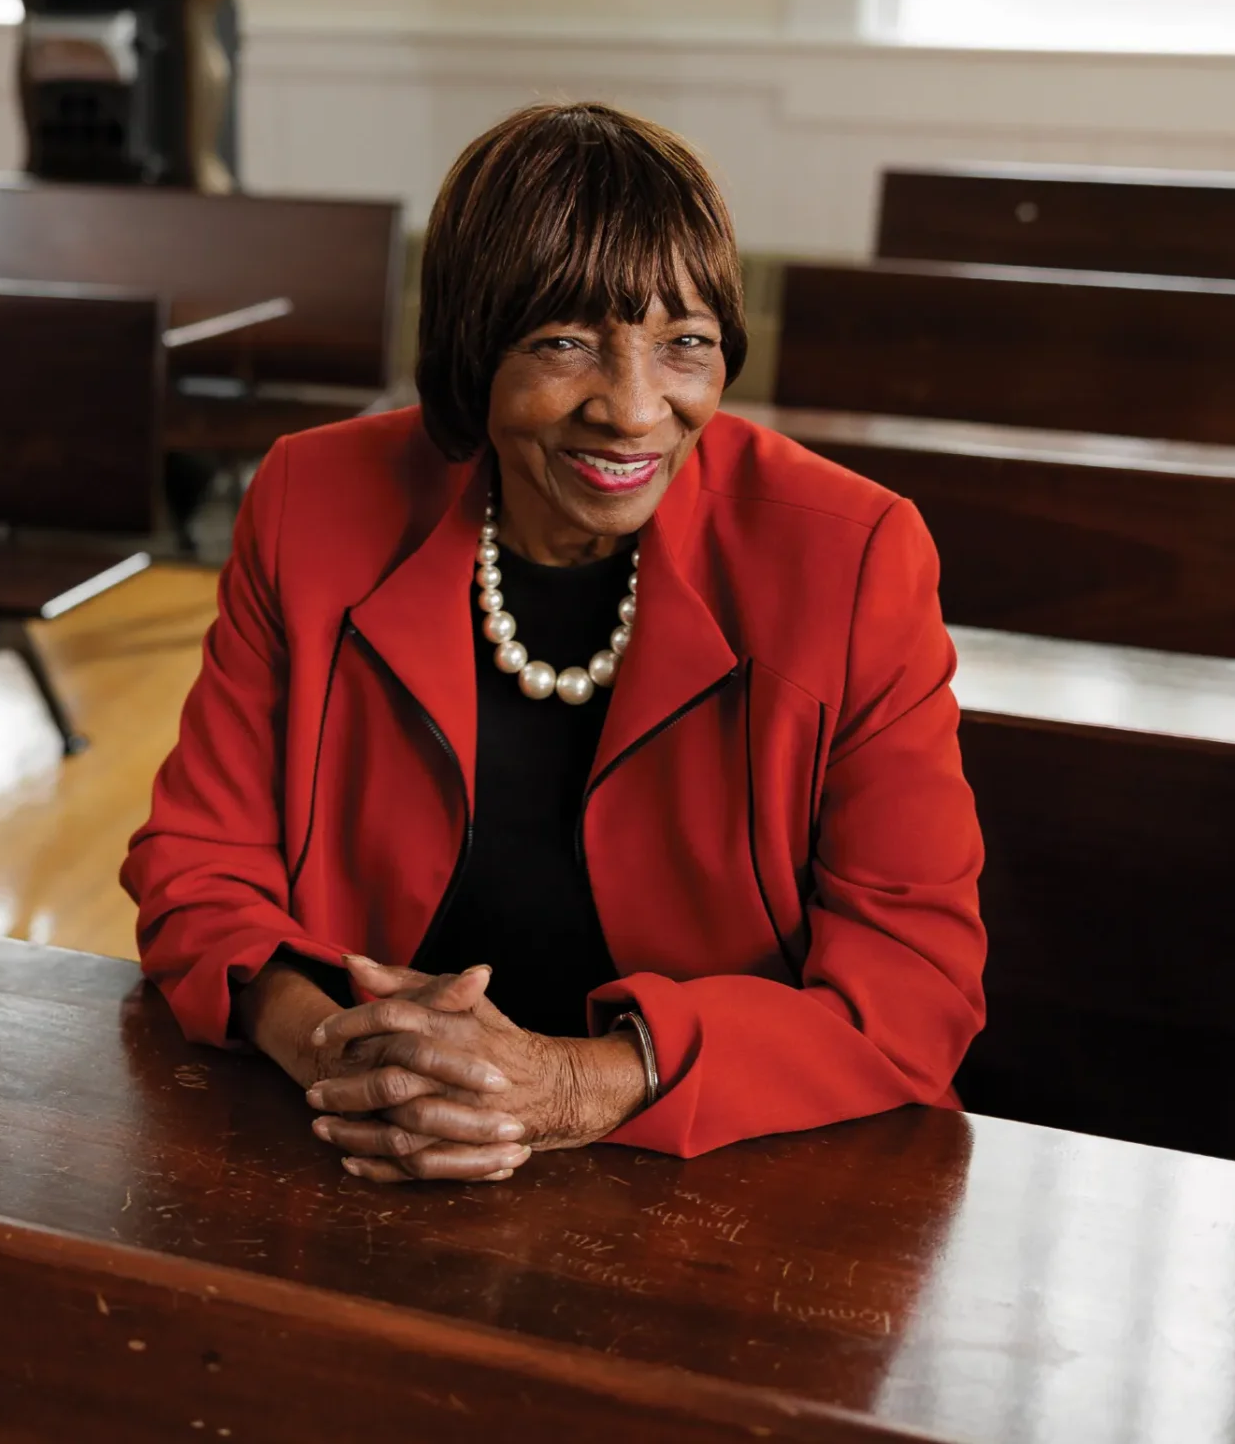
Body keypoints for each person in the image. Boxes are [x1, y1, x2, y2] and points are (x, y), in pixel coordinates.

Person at [123, 102, 986, 1182]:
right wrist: (334, 1049)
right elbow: (196, 864)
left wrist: (572, 1085)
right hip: (359, 1149)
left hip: (734, 1167)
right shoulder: (313, 497)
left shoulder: (854, 557)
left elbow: (915, 984)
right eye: (563, 342)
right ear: (472, 349)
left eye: (685, 344)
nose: (632, 408)